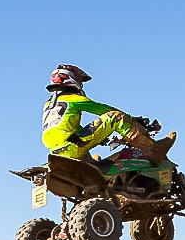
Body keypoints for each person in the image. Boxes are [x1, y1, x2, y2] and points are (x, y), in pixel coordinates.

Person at [40, 64, 173, 165]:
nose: (81, 84)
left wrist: (103, 138)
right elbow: (104, 110)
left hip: (58, 153)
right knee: (115, 117)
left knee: (95, 163)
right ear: (70, 79)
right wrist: (133, 119)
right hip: (73, 147)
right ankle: (153, 150)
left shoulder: (49, 105)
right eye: (80, 80)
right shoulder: (72, 99)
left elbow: (66, 129)